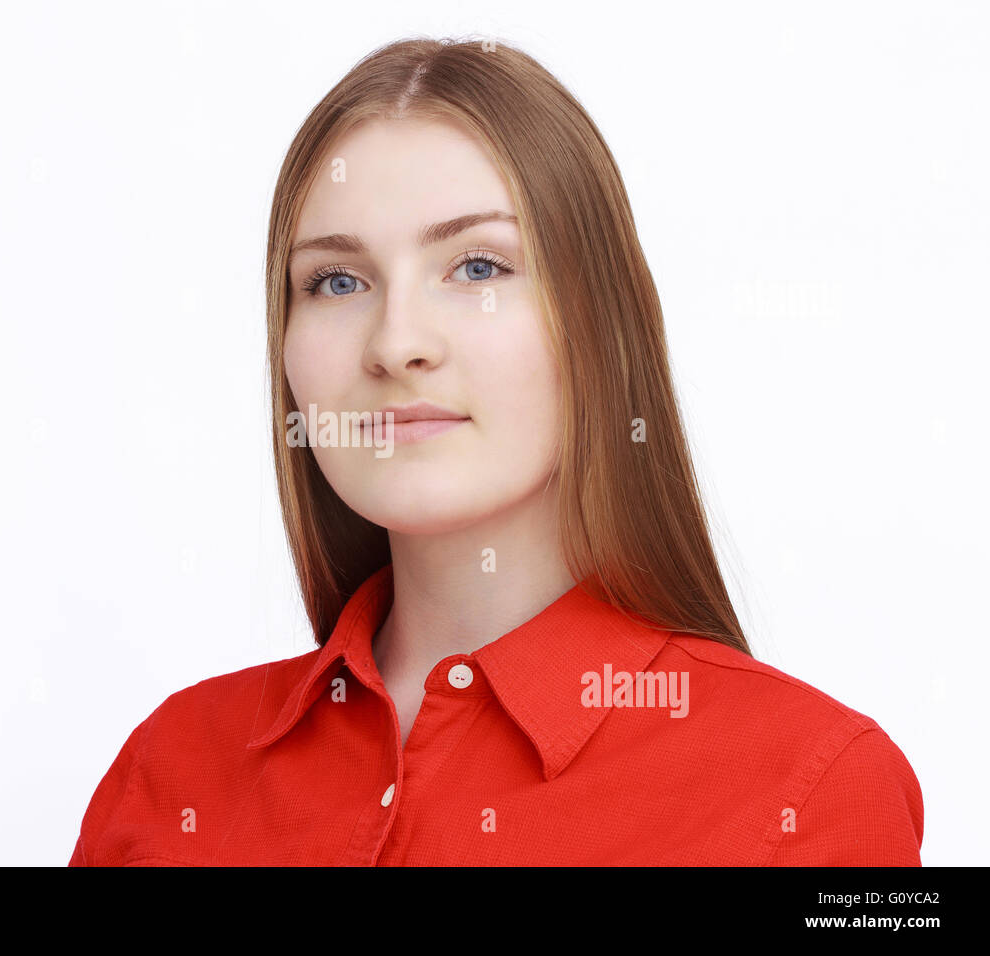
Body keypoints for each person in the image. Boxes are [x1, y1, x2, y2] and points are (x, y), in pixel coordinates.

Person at [68, 36, 922, 866]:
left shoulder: (811, 787)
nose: (397, 342)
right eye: (337, 281)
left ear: (598, 325)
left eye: (478, 267)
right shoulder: (172, 769)